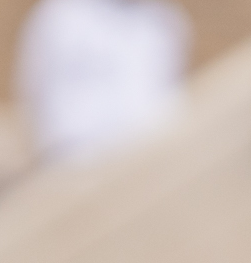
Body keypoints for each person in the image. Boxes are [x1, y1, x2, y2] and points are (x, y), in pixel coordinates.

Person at [16, 0, 192, 164]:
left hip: (149, 158)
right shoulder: (61, 16)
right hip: (78, 158)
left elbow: (169, 93)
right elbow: (34, 90)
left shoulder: (162, 21)